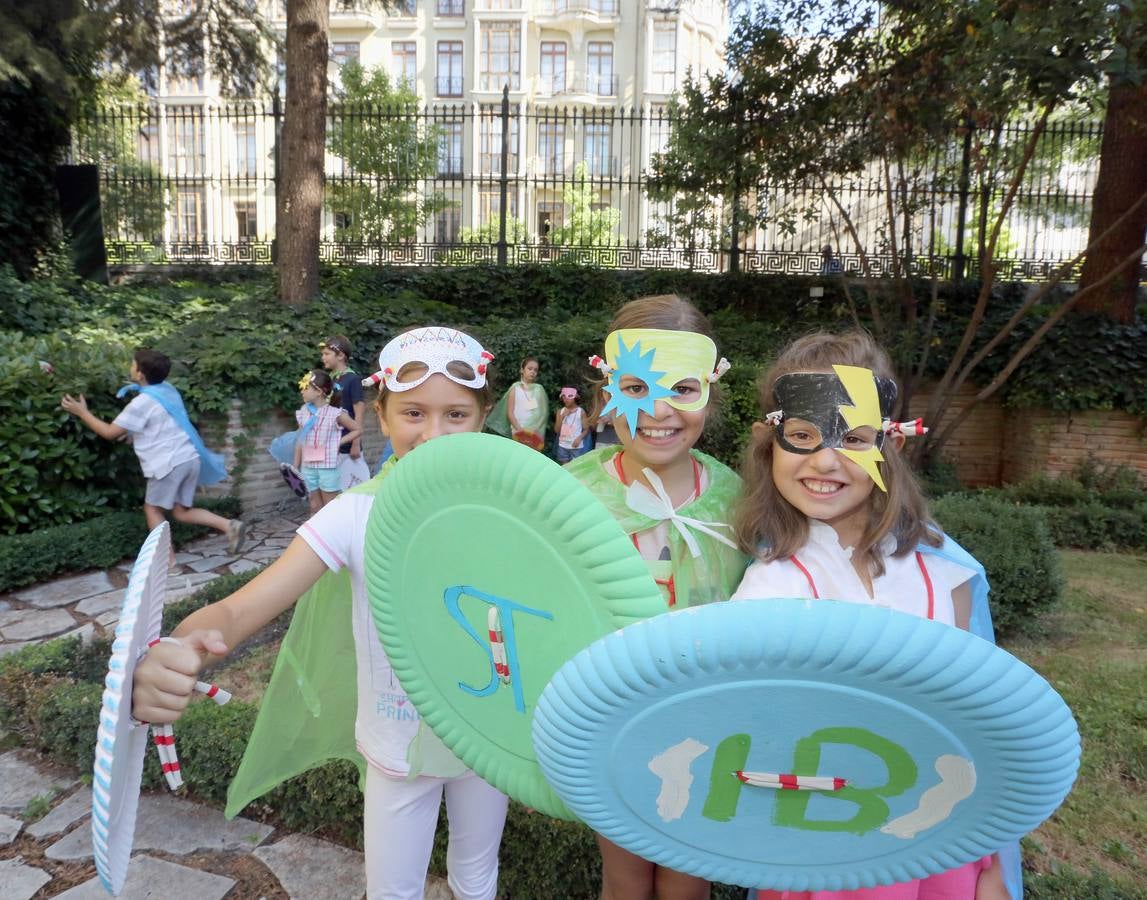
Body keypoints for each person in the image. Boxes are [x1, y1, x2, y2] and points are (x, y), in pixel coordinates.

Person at [131, 328, 508, 900]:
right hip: (395, 744)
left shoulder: (513, 514)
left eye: (456, 413)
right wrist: (181, 647)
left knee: (478, 877)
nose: (434, 435)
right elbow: (240, 608)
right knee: (392, 890)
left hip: (488, 739)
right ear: (381, 414)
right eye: (413, 413)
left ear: (482, 416)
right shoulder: (354, 517)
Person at [730, 330, 1015, 900]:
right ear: (770, 444)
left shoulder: (945, 574)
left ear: (892, 447)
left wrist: (989, 866)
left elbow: (975, 723)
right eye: (803, 436)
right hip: (826, 851)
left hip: (942, 842)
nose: (826, 460)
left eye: (855, 438)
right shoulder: (767, 592)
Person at [565, 294, 750, 900]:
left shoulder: (738, 501)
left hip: (705, 729)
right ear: (606, 391)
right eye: (637, 388)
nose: (659, 411)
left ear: (709, 394)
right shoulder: (566, 496)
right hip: (608, 725)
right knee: (623, 878)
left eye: (683, 389)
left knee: (686, 880)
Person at [60, 348, 245, 555]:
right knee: (181, 512)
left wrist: (82, 412)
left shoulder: (141, 402)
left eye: (133, 363)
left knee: (153, 510)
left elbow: (109, 432)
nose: (130, 366)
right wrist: (131, 435)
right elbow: (161, 426)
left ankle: (168, 564)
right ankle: (229, 526)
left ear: (140, 374)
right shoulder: (167, 391)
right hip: (188, 458)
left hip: (168, 464)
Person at [293, 369, 362, 513]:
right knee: (314, 505)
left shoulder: (335, 413)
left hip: (327, 467)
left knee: (330, 507)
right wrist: (295, 465)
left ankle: (332, 534)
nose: (302, 391)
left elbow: (357, 429)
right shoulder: (303, 411)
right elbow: (300, 438)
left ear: (319, 392)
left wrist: (339, 442)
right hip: (308, 466)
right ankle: (314, 534)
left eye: (306, 388)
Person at [321, 334, 367, 468]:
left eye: (326, 354)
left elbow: (359, 413)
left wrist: (356, 444)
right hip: (331, 444)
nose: (323, 357)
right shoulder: (329, 378)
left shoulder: (353, 379)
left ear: (340, 356)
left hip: (348, 447)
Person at [488, 357, 548, 450]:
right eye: (530, 368)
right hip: (518, 430)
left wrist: (536, 429)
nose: (533, 372)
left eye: (535, 370)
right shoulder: (515, 388)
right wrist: (520, 430)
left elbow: (543, 412)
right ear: (522, 370)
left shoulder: (539, 389)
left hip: (534, 432)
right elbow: (510, 412)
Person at [553, 386, 590, 463]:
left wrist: (579, 438)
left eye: (569, 396)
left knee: (576, 468)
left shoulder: (581, 412)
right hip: (563, 446)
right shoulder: (560, 411)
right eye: (563, 397)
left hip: (576, 446)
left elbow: (586, 429)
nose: (566, 399)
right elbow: (557, 430)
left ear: (575, 397)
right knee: (564, 468)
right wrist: (562, 417)